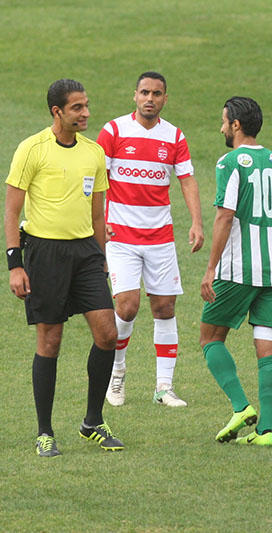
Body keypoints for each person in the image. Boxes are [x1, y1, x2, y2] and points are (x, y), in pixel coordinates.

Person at [4, 78, 124, 457]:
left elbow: (98, 214)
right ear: (57, 111)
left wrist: (103, 259)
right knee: (50, 341)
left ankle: (92, 421)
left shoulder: (93, 153)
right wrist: (15, 265)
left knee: (108, 332)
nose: (86, 113)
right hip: (44, 253)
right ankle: (45, 433)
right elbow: (11, 209)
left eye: (86, 105)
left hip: (86, 254)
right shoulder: (32, 149)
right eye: (77, 107)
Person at [97, 71, 204, 408]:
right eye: (144, 92)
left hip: (160, 237)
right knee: (126, 307)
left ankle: (163, 387)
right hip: (121, 236)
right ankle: (116, 375)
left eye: (156, 94)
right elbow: (99, 180)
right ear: (134, 95)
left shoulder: (174, 136)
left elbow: (187, 180)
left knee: (165, 307)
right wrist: (99, 222)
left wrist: (197, 223)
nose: (150, 99)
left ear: (164, 99)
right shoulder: (114, 131)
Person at [199, 96, 272, 447]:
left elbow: (225, 216)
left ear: (236, 125)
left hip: (239, 270)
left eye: (224, 121)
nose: (222, 127)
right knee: (267, 348)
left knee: (210, 338)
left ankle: (241, 407)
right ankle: (265, 431)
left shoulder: (230, 162)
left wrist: (211, 268)